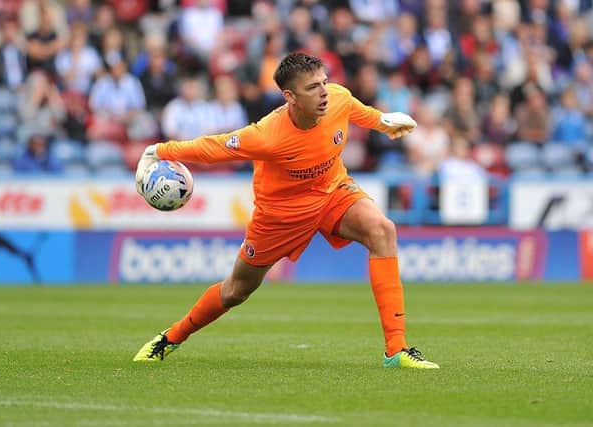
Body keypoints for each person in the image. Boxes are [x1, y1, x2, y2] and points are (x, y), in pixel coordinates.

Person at [133, 52, 439, 369]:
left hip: (332, 191)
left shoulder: (336, 97)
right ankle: (170, 338)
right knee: (236, 291)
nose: (323, 92)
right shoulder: (267, 136)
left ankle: (396, 349)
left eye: (324, 82)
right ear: (289, 96)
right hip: (280, 216)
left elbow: (353, 109)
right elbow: (214, 147)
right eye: (312, 88)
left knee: (383, 230)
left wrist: (382, 121)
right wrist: (158, 150)